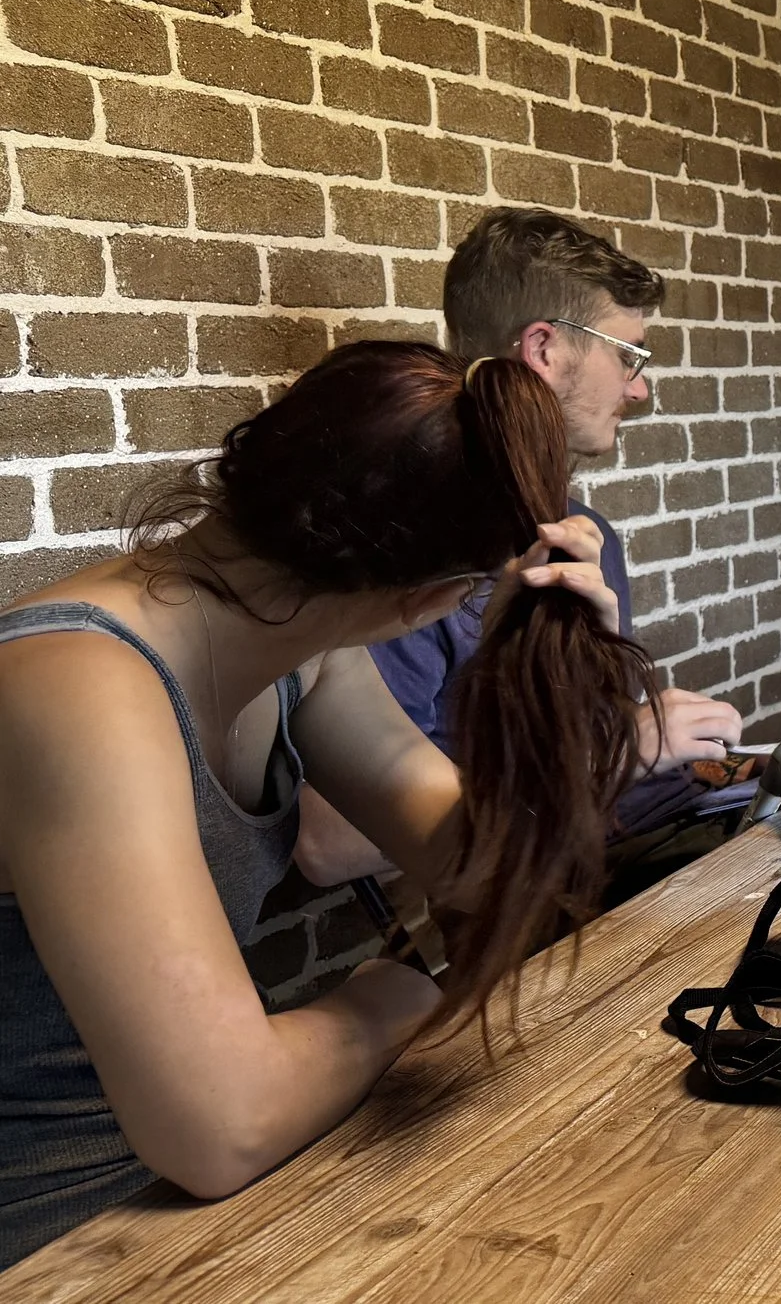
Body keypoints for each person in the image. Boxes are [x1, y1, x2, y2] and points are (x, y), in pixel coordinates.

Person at [0, 341, 655, 1267]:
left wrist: (540, 691)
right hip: (65, 1242)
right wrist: (397, 996)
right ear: (424, 601)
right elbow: (222, 1121)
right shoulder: (78, 683)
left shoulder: (306, 650)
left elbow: (485, 870)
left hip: (217, 1200)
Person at [291, 209, 747, 905]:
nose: (640, 389)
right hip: (545, 910)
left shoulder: (583, 531)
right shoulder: (417, 557)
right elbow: (327, 841)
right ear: (543, 348)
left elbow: (593, 740)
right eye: (629, 356)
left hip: (650, 845)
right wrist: (618, 753)